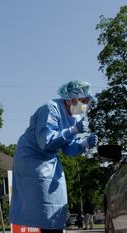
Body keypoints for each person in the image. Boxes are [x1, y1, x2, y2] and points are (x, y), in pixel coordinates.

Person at [9, 80, 98, 233]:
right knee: (45, 209)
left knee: (56, 204)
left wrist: (84, 144)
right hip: (32, 160)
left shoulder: (73, 117)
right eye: (83, 101)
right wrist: (73, 130)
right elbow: (46, 141)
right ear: (71, 98)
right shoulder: (50, 109)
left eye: (87, 102)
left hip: (49, 160)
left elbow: (68, 150)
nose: (85, 105)